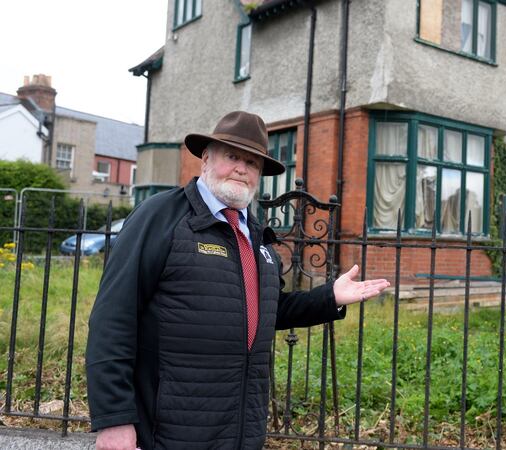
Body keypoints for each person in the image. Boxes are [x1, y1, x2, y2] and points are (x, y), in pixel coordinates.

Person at [86, 111, 390, 450]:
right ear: (206, 158)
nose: (242, 169)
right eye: (232, 156)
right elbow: (113, 317)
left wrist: (329, 296)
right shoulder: (160, 218)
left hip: (240, 428)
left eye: (253, 162)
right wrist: (114, 419)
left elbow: (267, 310)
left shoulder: (255, 233)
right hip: (170, 429)